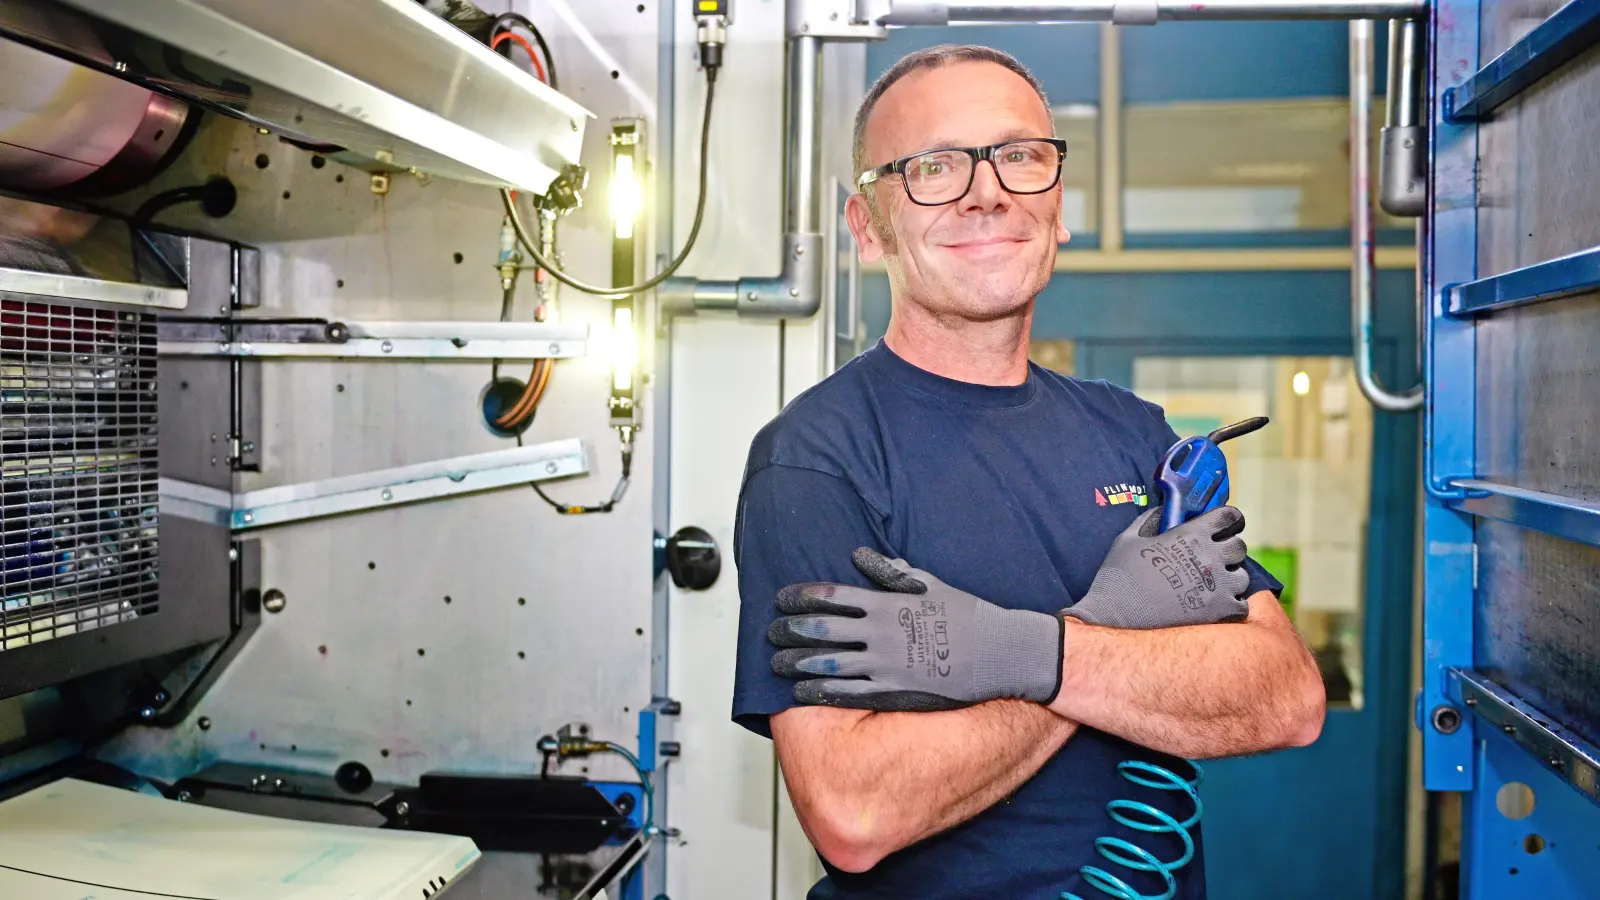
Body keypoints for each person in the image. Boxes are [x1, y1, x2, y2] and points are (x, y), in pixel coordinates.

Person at [731, 44, 1327, 900]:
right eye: (934, 165)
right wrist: (1112, 627)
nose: (988, 191)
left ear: (1057, 203)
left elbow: (1284, 695)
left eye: (1019, 156)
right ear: (869, 228)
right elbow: (854, 813)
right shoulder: (817, 457)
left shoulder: (1131, 433)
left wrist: (1018, 652)